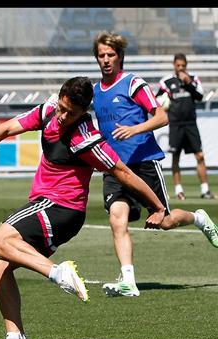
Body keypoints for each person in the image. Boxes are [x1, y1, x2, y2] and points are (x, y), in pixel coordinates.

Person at [0, 76, 167, 339]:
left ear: (84, 111)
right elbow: (6, 129)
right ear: (59, 97)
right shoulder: (49, 110)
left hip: (62, 208)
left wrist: (157, 206)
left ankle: (59, 273)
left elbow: (121, 171)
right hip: (47, 205)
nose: (64, 116)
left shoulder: (86, 138)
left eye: (72, 113)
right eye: (63, 108)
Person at [91, 32, 218, 298]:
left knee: (166, 222)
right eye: (101, 55)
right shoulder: (95, 91)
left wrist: (134, 129)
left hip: (144, 164)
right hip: (115, 168)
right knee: (117, 220)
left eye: (110, 55)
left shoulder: (133, 83)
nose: (105, 60)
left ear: (119, 56)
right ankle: (128, 281)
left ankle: (199, 218)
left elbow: (161, 117)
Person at [156, 53, 214, 200]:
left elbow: (200, 96)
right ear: (174, 65)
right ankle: (178, 190)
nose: (181, 68)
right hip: (175, 124)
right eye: (178, 65)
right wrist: (163, 102)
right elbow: (158, 100)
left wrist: (188, 83)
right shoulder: (166, 81)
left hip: (190, 123)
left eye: (183, 65)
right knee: (176, 156)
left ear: (186, 65)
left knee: (199, 155)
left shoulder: (193, 78)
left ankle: (205, 189)